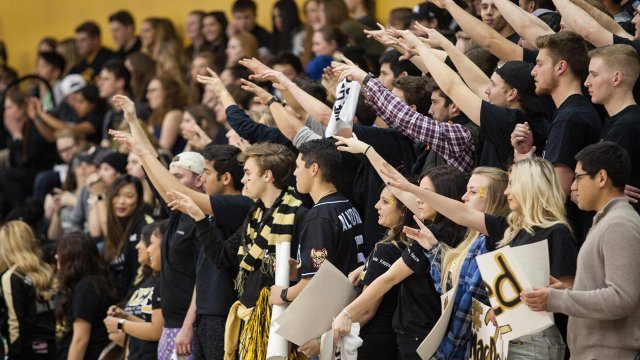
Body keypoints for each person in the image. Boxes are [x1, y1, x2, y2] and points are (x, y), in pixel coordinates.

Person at [381, 156, 578, 359]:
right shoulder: (510, 229)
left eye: (512, 184)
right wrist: (410, 189)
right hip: (502, 340)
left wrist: (543, 296)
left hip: (533, 343)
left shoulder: (557, 232)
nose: (506, 192)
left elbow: (569, 292)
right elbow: (460, 213)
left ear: (530, 186)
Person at [332, 163, 468, 360]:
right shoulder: (458, 229)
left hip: (418, 336)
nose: (419, 199)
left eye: (426, 193)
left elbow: (390, 278)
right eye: (418, 191)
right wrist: (366, 267)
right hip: (432, 333)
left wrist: (347, 313)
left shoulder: (432, 235)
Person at [521, 142, 640, 359]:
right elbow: (605, 288)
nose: (573, 186)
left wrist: (558, 299)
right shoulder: (608, 222)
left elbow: (623, 297)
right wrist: (570, 292)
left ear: (601, 178)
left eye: (578, 177)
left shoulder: (619, 224)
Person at [583, 45, 640, 212]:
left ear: (616, 78)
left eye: (593, 75)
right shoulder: (617, 122)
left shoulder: (626, 127)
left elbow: (593, 192)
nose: (587, 82)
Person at [103, 221, 165, 360]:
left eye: (143, 241)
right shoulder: (145, 279)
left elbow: (157, 330)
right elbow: (143, 324)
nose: (137, 246)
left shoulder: (165, 281)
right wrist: (124, 316)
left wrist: (121, 324)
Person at [55, 233, 117, 360]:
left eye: (61, 251)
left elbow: (80, 339)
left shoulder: (86, 287)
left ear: (71, 257)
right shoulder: (92, 283)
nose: (56, 256)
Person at [0, 221, 56, 359]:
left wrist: (13, 355)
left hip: (29, 351)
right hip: (54, 346)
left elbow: (15, 324)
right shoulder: (47, 270)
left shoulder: (12, 276)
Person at [0, 90, 56, 210]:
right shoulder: (16, 128)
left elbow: (26, 159)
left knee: (6, 175)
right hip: (27, 173)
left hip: (43, 171)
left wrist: (17, 136)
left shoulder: (36, 126)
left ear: (21, 108)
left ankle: (21, 213)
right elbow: (13, 161)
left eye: (9, 108)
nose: (5, 113)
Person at [101, 175, 152, 299]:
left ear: (139, 199)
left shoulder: (145, 226)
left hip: (135, 298)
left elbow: (147, 273)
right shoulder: (114, 225)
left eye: (128, 196)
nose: (121, 201)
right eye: (116, 195)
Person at [146, 74, 187, 154]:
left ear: (168, 91)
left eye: (153, 90)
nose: (148, 96)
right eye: (148, 91)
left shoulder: (173, 115)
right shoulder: (156, 116)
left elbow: (163, 150)